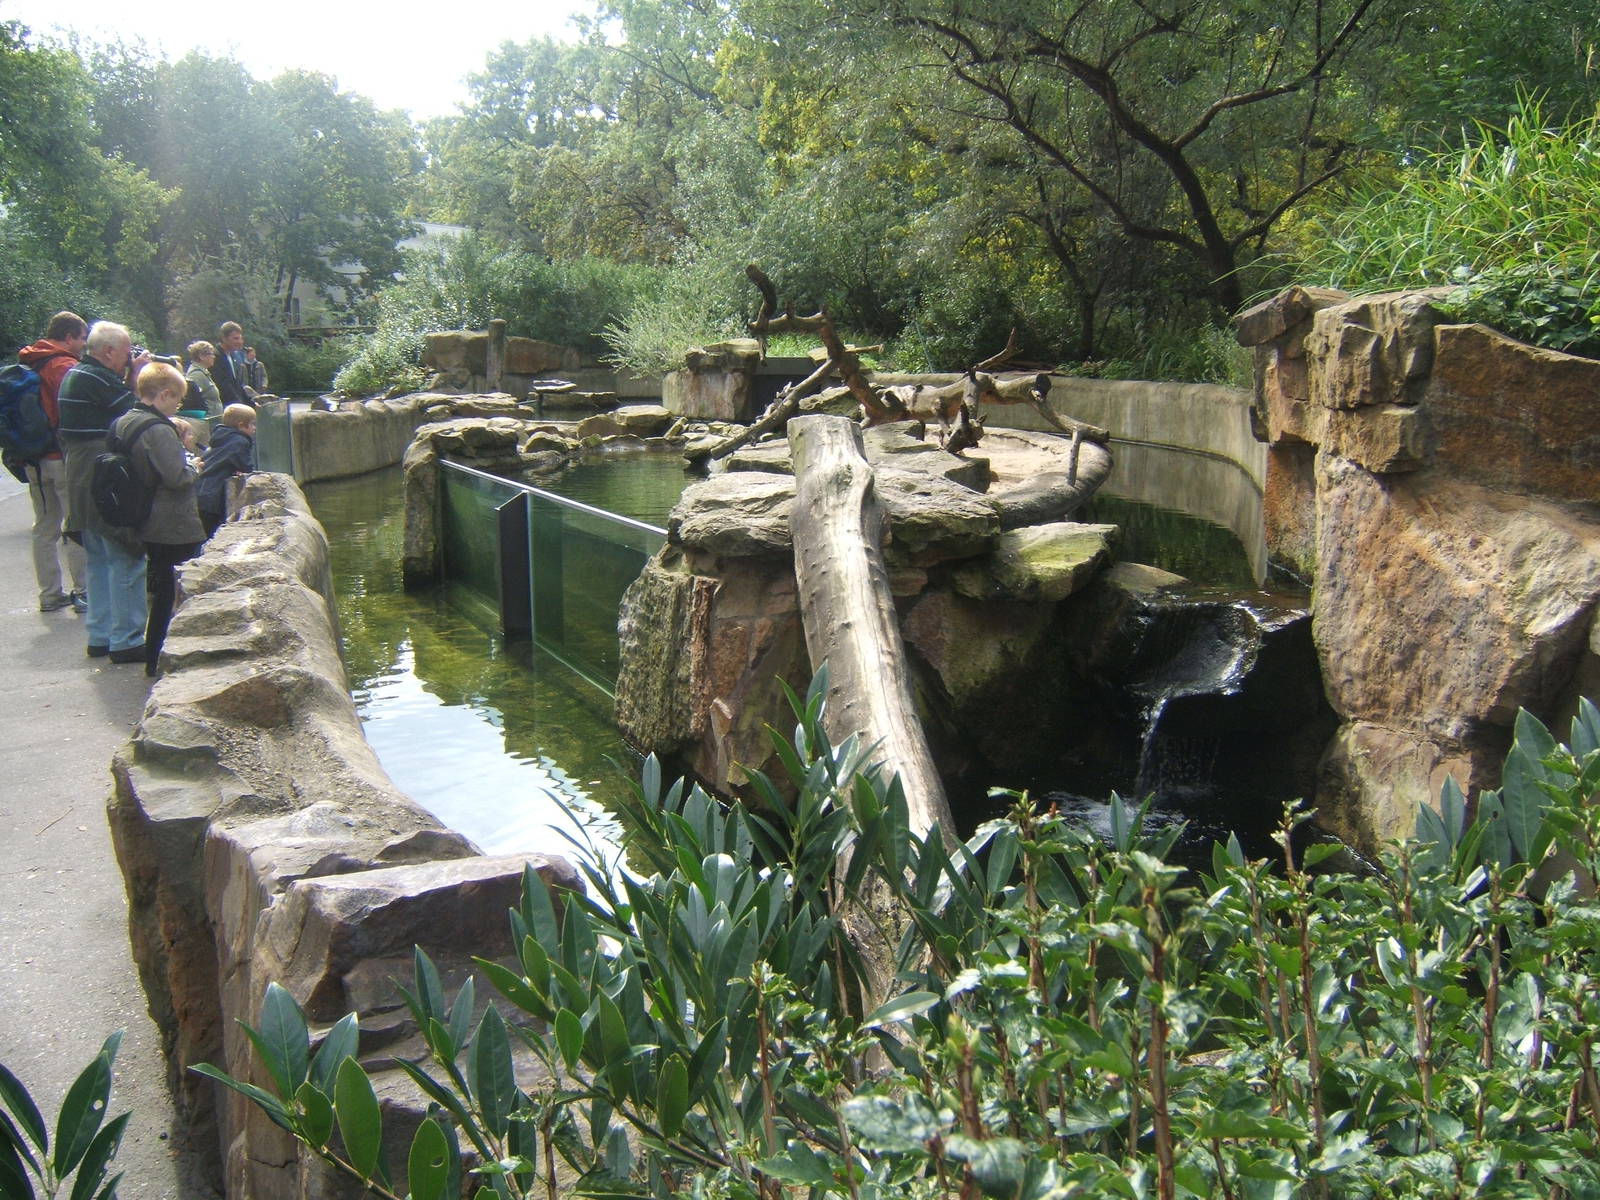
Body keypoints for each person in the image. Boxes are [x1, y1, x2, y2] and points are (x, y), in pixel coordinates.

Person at [57, 320, 150, 662]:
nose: (130, 358)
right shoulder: (93, 377)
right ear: (108, 351)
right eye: (127, 352)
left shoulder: (79, 375)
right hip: (102, 477)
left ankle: (100, 634)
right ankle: (126, 639)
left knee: (98, 558)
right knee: (125, 555)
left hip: (82, 474)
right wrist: (139, 373)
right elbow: (134, 409)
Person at [112, 362, 204, 677]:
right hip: (170, 522)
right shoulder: (159, 429)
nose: (178, 406)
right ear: (164, 394)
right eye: (177, 399)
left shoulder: (125, 420)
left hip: (143, 517)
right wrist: (194, 465)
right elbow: (177, 477)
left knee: (161, 589)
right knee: (172, 592)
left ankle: (155, 656)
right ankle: (161, 657)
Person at [15, 312, 89, 614]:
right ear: (69, 336)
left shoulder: (29, 360)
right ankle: (83, 590)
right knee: (75, 524)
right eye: (82, 338)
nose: (83, 345)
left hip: (33, 457)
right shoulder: (63, 366)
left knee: (44, 527)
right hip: (60, 457)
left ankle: (49, 593)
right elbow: (71, 411)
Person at [196, 403, 257, 537]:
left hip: (202, 491)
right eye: (252, 424)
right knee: (215, 532)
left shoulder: (220, 438)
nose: (254, 428)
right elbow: (246, 467)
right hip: (214, 496)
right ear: (241, 425)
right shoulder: (240, 441)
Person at [210, 321, 252, 409]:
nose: (240, 342)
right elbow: (223, 386)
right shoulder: (215, 357)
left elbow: (237, 385)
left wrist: (251, 403)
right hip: (226, 408)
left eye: (241, 338)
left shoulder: (234, 356)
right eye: (236, 338)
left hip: (236, 405)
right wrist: (240, 406)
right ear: (224, 338)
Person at [185, 340, 223, 417]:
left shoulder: (203, 372)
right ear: (201, 356)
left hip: (213, 420)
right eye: (211, 354)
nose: (214, 356)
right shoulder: (196, 374)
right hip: (206, 422)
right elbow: (193, 402)